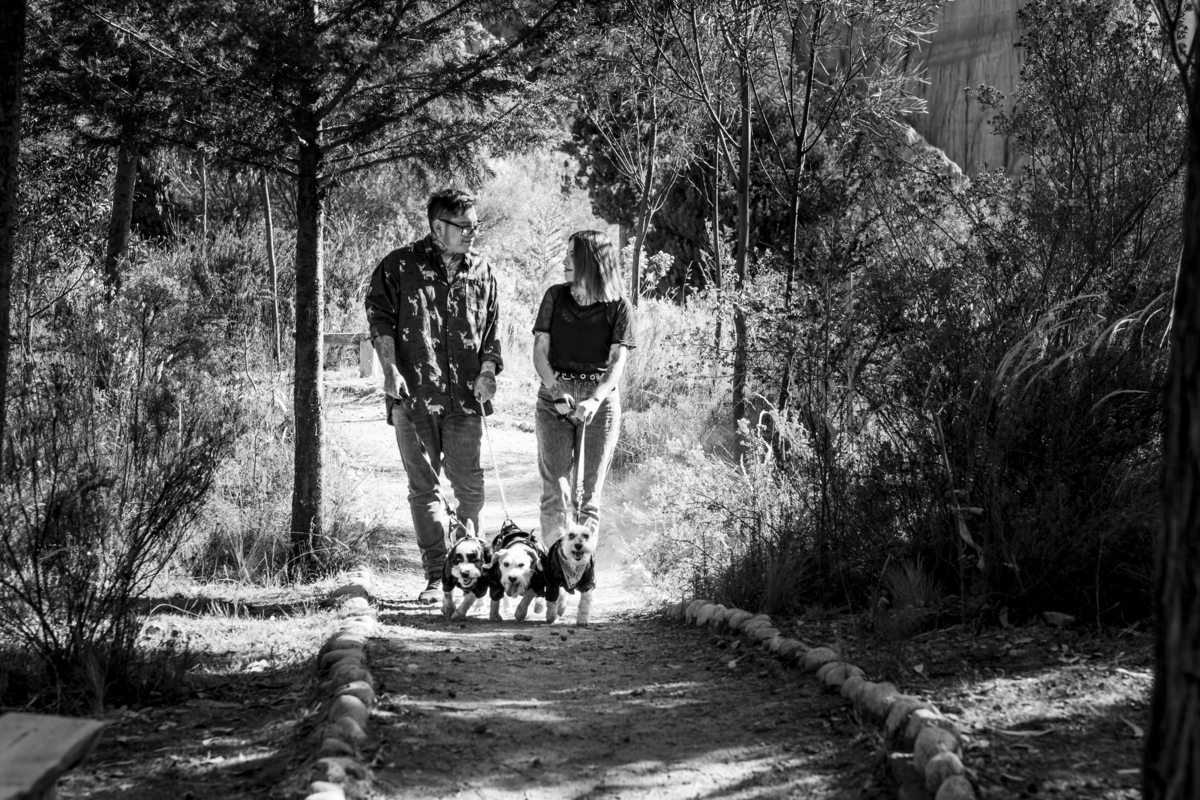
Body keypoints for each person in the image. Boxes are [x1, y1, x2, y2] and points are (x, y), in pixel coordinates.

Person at [365, 188, 501, 603]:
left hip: (466, 399)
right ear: (438, 227)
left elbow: (492, 330)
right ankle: (436, 574)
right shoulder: (398, 266)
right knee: (425, 489)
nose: (472, 233)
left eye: (476, 225)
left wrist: (489, 372)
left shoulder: (483, 270)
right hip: (414, 396)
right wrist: (389, 370)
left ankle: (470, 572)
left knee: (470, 488)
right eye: (464, 226)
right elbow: (379, 320)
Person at [532, 230, 636, 546]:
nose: (564, 261)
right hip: (554, 397)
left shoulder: (619, 306)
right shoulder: (555, 296)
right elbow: (539, 351)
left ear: (591, 261)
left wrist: (595, 399)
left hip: (600, 402)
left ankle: (580, 567)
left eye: (571, 255)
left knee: (588, 495)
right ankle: (554, 565)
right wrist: (555, 390)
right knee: (556, 491)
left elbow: (617, 361)